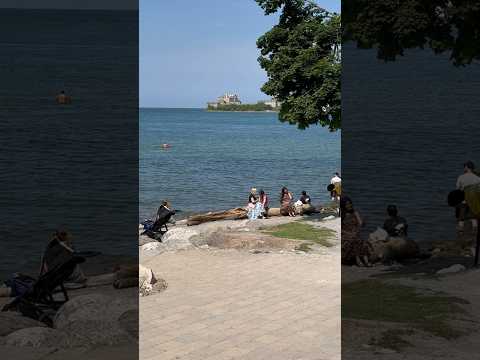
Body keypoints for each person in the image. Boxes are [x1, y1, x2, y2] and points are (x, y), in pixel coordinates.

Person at [341, 196, 371, 267]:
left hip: (355, 233)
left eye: (350, 204)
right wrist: (348, 233)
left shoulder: (355, 213)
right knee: (354, 240)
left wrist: (363, 222)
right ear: (343, 206)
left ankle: (366, 261)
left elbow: (360, 224)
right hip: (345, 234)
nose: (349, 205)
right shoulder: (342, 215)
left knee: (360, 240)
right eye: (347, 204)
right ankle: (358, 260)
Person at [456, 161, 480, 234]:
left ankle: (460, 233)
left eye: (464, 166)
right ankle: (475, 233)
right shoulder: (477, 178)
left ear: (466, 167)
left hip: (463, 201)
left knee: (461, 218)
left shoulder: (461, 177)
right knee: (473, 218)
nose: (464, 168)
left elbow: (458, 189)